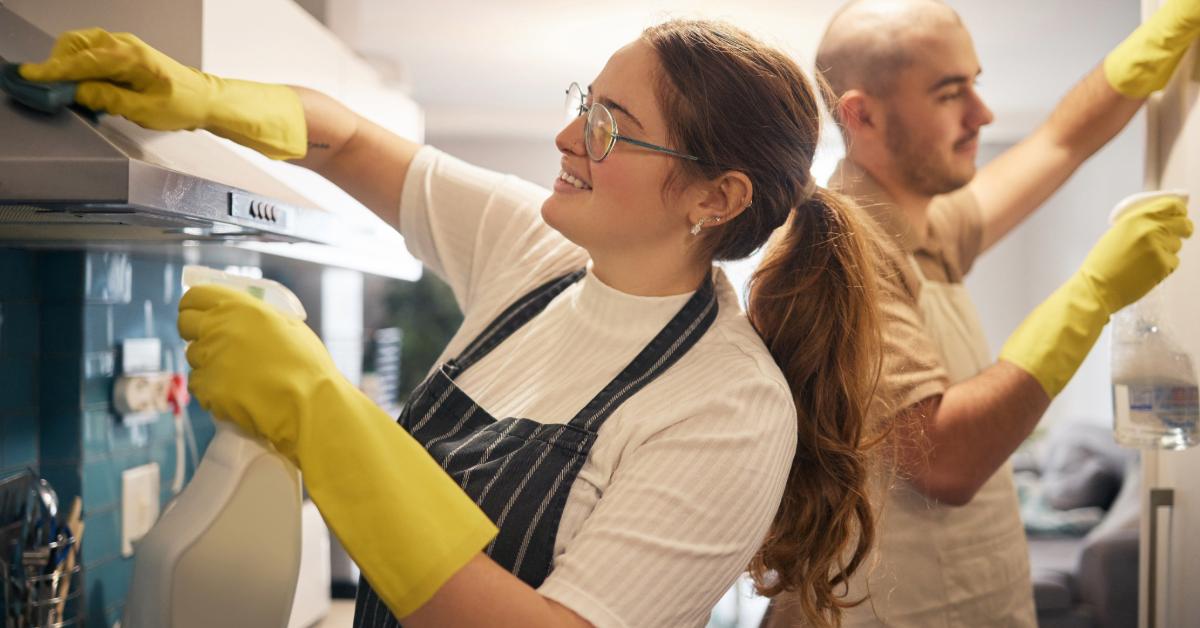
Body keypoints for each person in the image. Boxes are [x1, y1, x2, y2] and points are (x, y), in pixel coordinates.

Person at [21, 20, 885, 628]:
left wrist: (322, 416)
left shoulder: (729, 409)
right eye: (583, 101)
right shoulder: (536, 256)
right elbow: (348, 143)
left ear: (714, 197)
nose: (564, 136)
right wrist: (201, 95)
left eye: (606, 128)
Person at [763, 1, 1196, 626]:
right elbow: (948, 460)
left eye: (976, 82)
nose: (983, 114)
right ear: (862, 115)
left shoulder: (922, 222)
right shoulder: (832, 254)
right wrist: (1093, 294)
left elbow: (1059, 141)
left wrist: (1142, 55)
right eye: (949, 94)